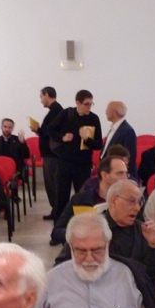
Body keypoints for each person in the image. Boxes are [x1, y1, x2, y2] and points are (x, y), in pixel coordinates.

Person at [55, 179, 155, 278]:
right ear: (114, 200)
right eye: (131, 201)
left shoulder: (143, 231)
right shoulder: (90, 227)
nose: (137, 208)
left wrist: (153, 245)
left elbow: (152, 274)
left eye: (139, 202)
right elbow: (61, 266)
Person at [49, 89, 103, 219]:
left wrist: (87, 139)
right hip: (64, 163)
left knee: (82, 198)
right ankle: (58, 231)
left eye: (91, 104)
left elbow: (98, 144)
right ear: (78, 103)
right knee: (61, 198)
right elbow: (50, 130)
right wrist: (62, 137)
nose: (89, 107)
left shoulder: (94, 118)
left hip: (83, 165)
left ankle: (82, 229)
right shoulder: (66, 114)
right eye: (86, 104)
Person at [51, 156, 128, 245]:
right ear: (104, 175)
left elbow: (137, 231)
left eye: (126, 173)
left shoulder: (129, 201)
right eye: (120, 173)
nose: (125, 178)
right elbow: (56, 232)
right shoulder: (79, 200)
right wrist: (78, 233)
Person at [31, 86, 63, 220]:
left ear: (47, 95)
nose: (40, 100)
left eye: (41, 96)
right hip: (49, 154)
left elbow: (51, 132)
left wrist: (39, 129)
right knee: (50, 185)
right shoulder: (54, 111)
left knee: (53, 185)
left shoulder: (56, 111)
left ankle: (58, 212)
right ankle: (55, 210)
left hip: (52, 155)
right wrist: (38, 131)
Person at [100, 101, 138, 176]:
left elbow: (130, 156)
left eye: (107, 110)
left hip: (118, 174)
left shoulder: (128, 131)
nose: (106, 113)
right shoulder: (114, 128)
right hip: (108, 171)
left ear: (114, 113)